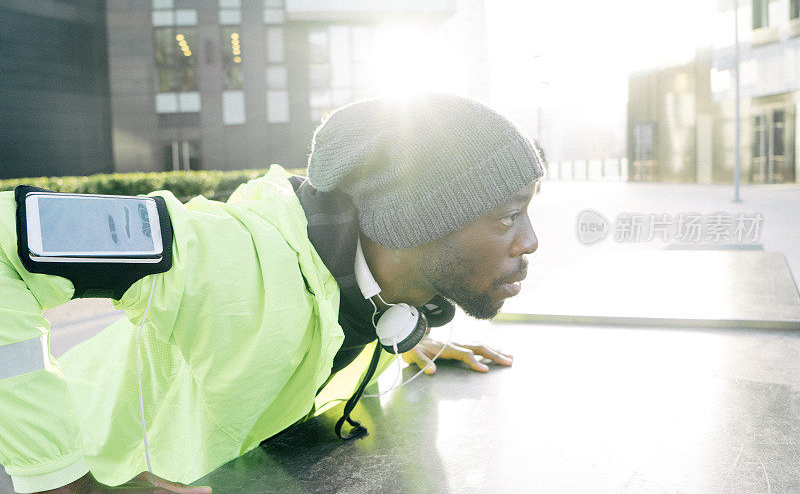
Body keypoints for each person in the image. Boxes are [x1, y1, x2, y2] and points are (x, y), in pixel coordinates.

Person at [0, 93, 544, 493]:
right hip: (79, 459)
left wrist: (403, 342)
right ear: (418, 221)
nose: (532, 241)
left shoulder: (391, 296)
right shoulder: (226, 256)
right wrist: (63, 483)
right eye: (509, 216)